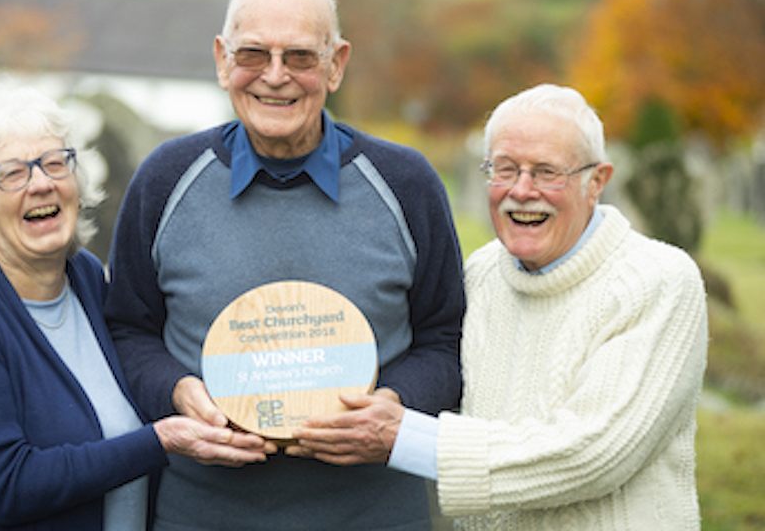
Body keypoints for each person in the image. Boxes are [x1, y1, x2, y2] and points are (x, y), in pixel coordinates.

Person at [103, 0, 465, 531]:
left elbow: (445, 337)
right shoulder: (165, 180)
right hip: (202, 515)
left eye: (300, 56)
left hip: (374, 516)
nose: (275, 77)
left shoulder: (405, 184)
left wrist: (394, 405)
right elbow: (128, 329)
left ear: (336, 64)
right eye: (254, 54)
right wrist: (174, 391)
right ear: (222, 60)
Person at [290, 83, 709, 530]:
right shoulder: (482, 274)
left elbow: (595, 452)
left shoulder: (658, 280)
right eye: (505, 169)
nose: (522, 191)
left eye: (547, 172)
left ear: (597, 183)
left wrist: (406, 439)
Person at [0, 83, 268, 531]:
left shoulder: (87, 280)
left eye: (55, 163)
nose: (41, 183)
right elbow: (6, 484)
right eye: (12, 173)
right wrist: (160, 440)